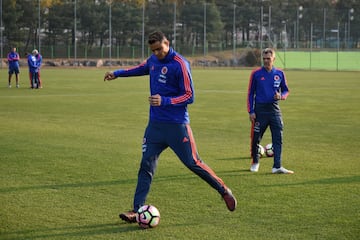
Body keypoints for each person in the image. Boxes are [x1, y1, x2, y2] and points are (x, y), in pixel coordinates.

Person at [104, 31, 237, 223]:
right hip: (155, 127)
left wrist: (164, 100)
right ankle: (137, 210)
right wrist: (116, 73)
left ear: (168, 43)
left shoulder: (180, 64)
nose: (157, 53)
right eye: (153, 50)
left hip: (177, 126)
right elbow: (139, 68)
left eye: (160, 48)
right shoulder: (153, 60)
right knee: (146, 165)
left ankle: (223, 190)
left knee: (193, 163)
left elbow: (189, 96)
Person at [247, 48, 294, 174]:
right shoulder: (256, 74)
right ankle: (255, 162)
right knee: (256, 138)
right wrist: (251, 111)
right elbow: (250, 93)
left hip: (274, 110)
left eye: (268, 59)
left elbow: (286, 90)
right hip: (260, 110)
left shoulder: (280, 73)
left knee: (278, 138)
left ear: (273, 59)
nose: (266, 61)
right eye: (264, 59)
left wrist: (282, 96)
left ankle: (277, 166)